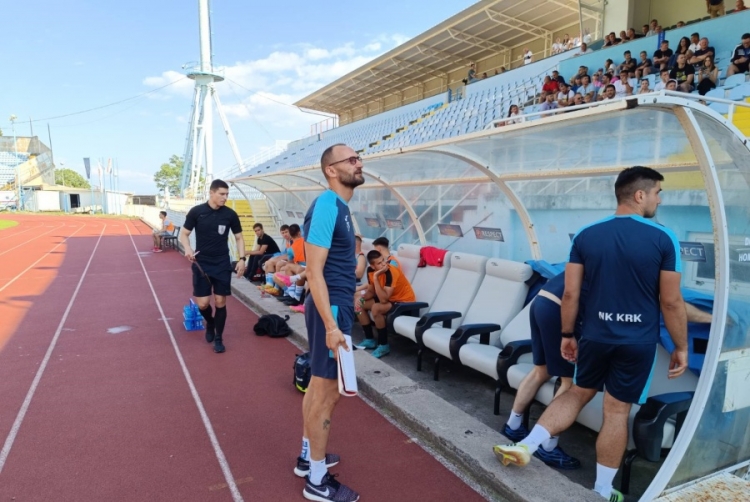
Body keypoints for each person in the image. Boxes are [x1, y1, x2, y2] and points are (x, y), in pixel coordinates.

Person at [492, 166, 689, 502]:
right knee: (616, 412)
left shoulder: (586, 234)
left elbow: (571, 294)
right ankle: (601, 491)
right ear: (640, 195)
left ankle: (527, 445)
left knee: (577, 392)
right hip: (636, 342)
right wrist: (681, 346)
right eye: (657, 193)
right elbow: (670, 301)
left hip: (594, 336)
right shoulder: (663, 237)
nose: (659, 199)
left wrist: (567, 334)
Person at [296, 143, 364, 502]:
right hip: (331, 312)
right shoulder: (327, 205)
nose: (359, 163)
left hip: (335, 307)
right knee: (327, 394)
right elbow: (314, 270)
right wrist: (333, 326)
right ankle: (318, 482)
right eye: (351, 160)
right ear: (331, 170)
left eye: (359, 157)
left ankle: (308, 459)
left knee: (319, 389)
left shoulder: (341, 208)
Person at [502, 272, 582, 470]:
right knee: (568, 381)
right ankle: (548, 445)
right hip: (559, 307)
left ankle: (513, 426)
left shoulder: (593, 246)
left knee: (541, 369)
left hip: (542, 298)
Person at [179, 179, 245, 353]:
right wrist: (187, 248)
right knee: (203, 304)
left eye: (227, 194)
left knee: (220, 301)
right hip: (202, 263)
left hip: (222, 262)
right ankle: (210, 323)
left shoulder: (230, 214)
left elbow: (239, 237)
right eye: (222, 194)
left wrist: (242, 259)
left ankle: (218, 337)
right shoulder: (197, 212)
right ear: (211, 193)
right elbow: (184, 234)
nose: (225, 198)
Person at [356, 250, 416, 358]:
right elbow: (371, 292)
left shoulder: (391, 272)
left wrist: (376, 277)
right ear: (372, 266)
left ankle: (383, 345)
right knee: (358, 305)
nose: (384, 264)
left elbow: (383, 300)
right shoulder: (370, 270)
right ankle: (369, 339)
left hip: (403, 302)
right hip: (389, 299)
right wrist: (360, 299)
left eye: (383, 260)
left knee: (376, 308)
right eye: (379, 263)